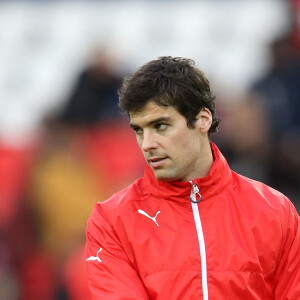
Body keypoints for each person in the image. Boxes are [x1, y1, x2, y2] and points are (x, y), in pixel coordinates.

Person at [85, 56, 300, 299]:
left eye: (161, 126)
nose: (147, 144)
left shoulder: (276, 211)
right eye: (139, 130)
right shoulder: (112, 221)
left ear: (203, 119)